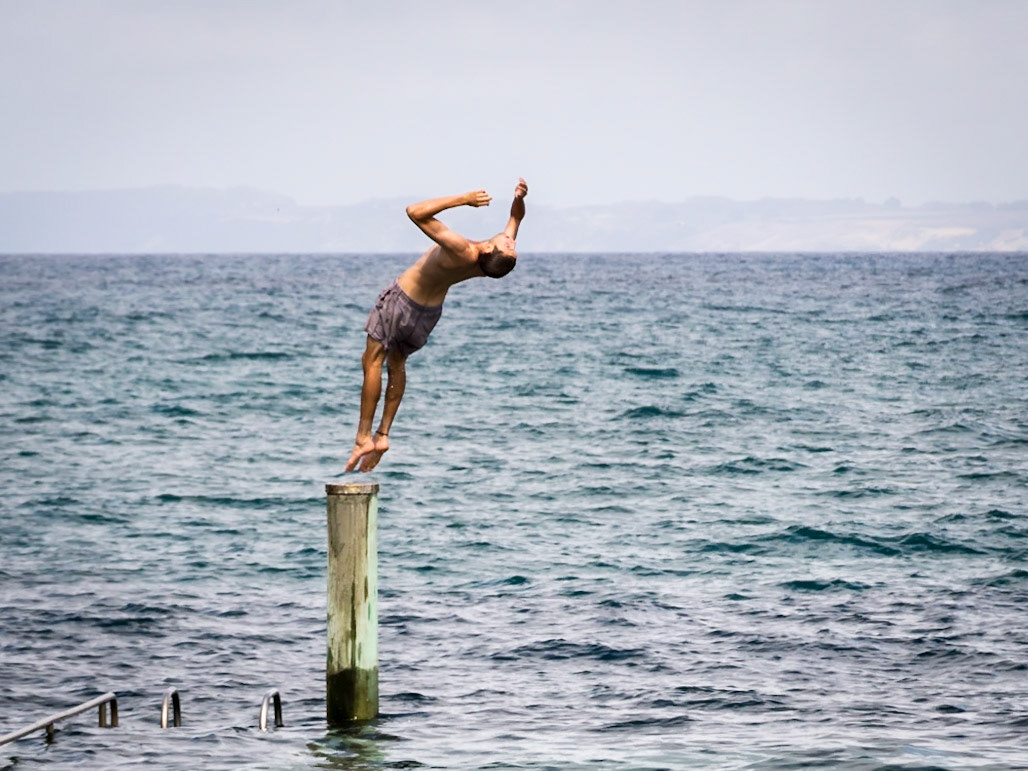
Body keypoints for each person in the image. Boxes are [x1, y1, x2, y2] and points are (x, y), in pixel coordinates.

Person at [344, 177, 529, 473]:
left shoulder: (463, 249)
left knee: (372, 362)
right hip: (427, 315)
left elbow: (415, 211)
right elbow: (515, 218)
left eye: (509, 246)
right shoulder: (488, 262)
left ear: (487, 251)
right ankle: (383, 435)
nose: (511, 241)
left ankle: (363, 438)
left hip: (402, 302)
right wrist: (519, 197)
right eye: (512, 244)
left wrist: (464, 198)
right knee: (398, 365)